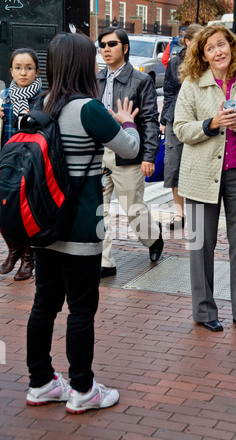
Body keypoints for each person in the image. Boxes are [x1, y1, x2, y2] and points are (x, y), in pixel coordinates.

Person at [25, 32, 140, 414]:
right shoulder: (89, 108)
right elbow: (129, 150)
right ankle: (82, 389)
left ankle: (40, 382)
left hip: (43, 224)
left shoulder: (41, 104)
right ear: (81, 64)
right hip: (80, 228)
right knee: (81, 309)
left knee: (44, 304)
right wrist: (126, 122)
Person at [173, 25, 236, 334]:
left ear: (232, 47)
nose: (218, 51)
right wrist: (211, 123)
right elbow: (181, 129)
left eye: (222, 45)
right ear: (202, 56)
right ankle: (204, 311)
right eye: (210, 48)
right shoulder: (191, 85)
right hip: (200, 177)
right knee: (200, 245)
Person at [97, 27, 163, 278]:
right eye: (102, 45)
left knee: (133, 208)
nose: (105, 49)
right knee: (98, 208)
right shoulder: (97, 79)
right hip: (100, 153)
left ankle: (153, 240)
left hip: (128, 152)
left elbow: (148, 120)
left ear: (125, 48)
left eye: (111, 44)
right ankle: (105, 261)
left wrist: (148, 156)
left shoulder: (140, 80)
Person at [0, 48, 42, 281]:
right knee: (4, 210)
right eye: (18, 68)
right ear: (11, 70)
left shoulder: (42, 98)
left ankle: (28, 257)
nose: (23, 73)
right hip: (6, 159)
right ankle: (14, 250)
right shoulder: (4, 95)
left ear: (37, 71)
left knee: (25, 210)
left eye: (28, 68)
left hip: (30, 161)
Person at [160, 24, 202, 230]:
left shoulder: (207, 62)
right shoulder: (175, 62)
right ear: (187, 41)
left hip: (199, 119)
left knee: (197, 166)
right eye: (198, 39)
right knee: (174, 164)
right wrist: (163, 121)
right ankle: (179, 213)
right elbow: (168, 91)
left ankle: (197, 213)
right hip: (174, 119)